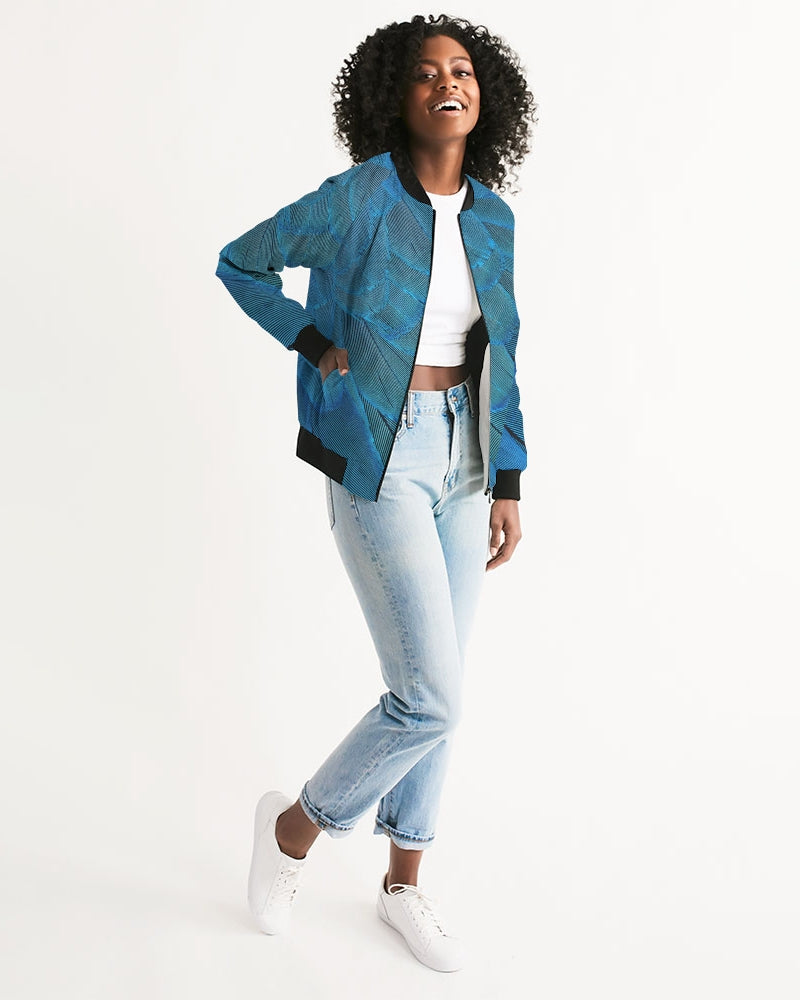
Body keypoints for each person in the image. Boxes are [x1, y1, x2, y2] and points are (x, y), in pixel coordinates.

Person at [215, 13, 537, 973]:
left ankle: (403, 883)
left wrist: (509, 478)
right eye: (427, 72)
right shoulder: (358, 198)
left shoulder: (493, 217)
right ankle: (293, 833)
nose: (449, 83)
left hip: (464, 459)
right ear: (394, 96)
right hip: (379, 453)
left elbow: (504, 351)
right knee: (429, 697)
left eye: (463, 69)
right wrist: (313, 342)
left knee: (446, 687)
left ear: (486, 96)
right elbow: (242, 260)